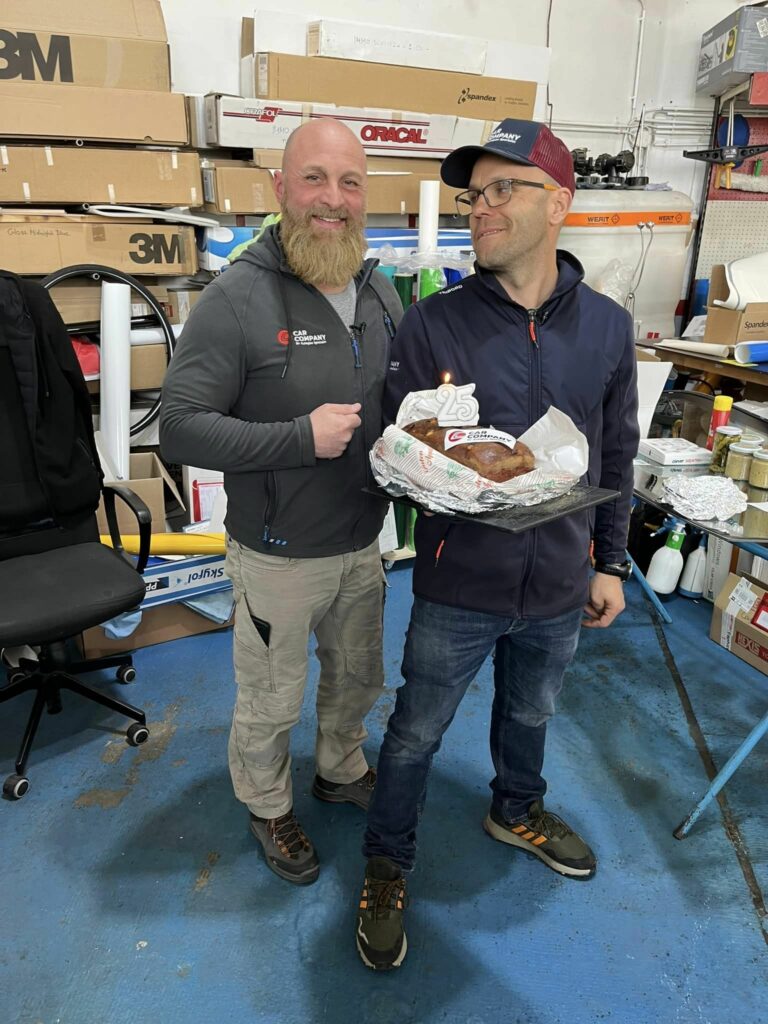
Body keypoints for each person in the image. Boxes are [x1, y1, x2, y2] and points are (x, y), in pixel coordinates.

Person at [354, 118, 640, 970]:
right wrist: (423, 467)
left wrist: (611, 562)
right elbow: (397, 451)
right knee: (415, 732)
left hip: (558, 580)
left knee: (532, 712)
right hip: (460, 579)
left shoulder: (607, 327)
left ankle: (515, 810)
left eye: (502, 189)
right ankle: (387, 863)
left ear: (559, 202)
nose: (480, 208)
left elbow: (616, 452)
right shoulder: (431, 324)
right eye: (474, 194)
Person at [160, 118, 402, 886]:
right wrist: (299, 438)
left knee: (358, 676)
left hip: (363, 541)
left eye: (350, 182)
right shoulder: (237, 297)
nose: (333, 199)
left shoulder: (378, 287)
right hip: (278, 554)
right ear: (280, 188)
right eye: (314, 179)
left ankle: (340, 768)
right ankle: (266, 804)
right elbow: (178, 428)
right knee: (272, 697)